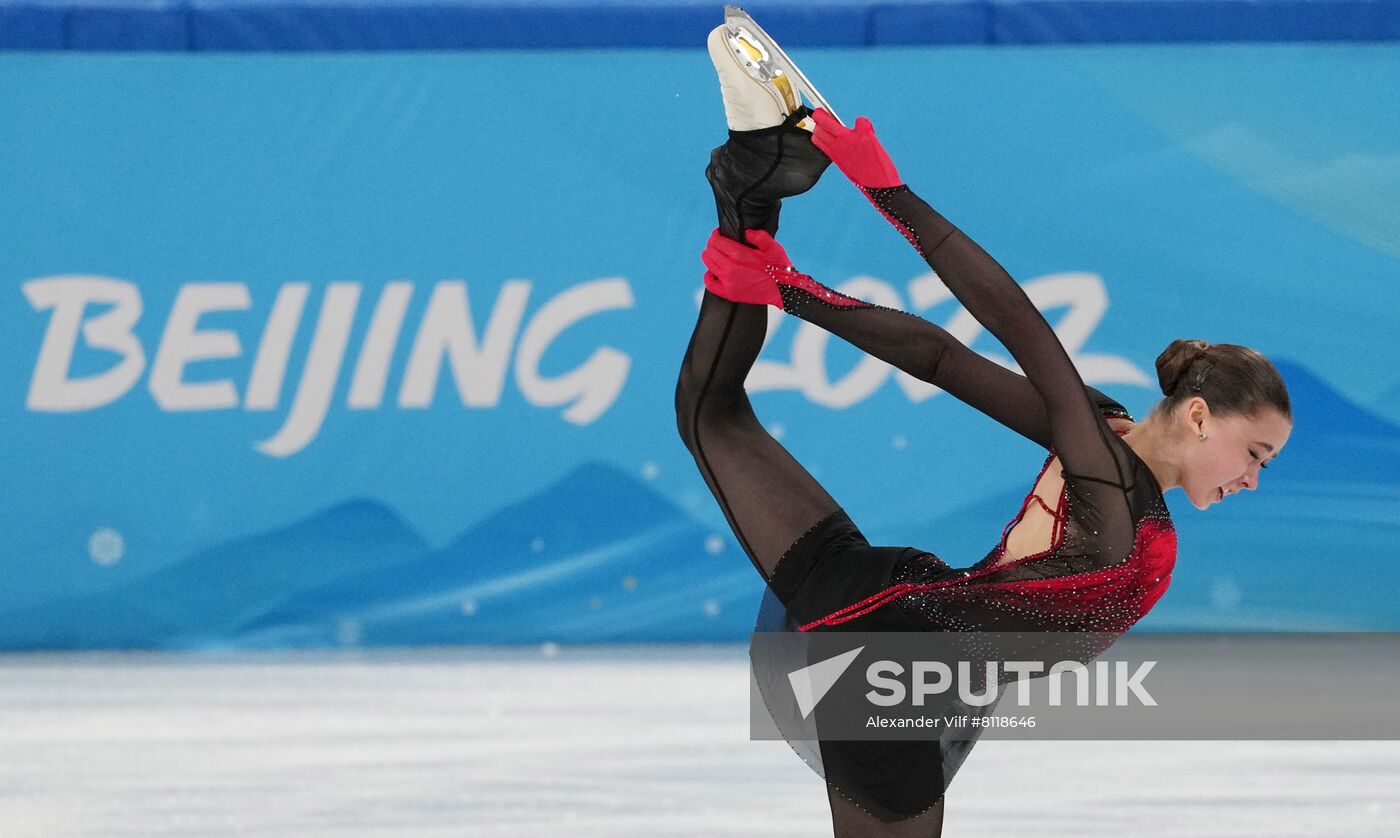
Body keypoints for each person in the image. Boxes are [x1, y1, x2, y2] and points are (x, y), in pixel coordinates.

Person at [675, 13, 1294, 836]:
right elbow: (1007, 328)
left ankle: (749, 197)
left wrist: (795, 292)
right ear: (1197, 415)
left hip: (912, 651)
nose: (1252, 478)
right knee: (711, 415)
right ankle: (750, 197)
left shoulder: (1105, 456)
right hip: (894, 653)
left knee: (711, 414)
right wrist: (881, 199)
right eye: (1254, 453)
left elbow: (942, 360)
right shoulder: (1107, 476)